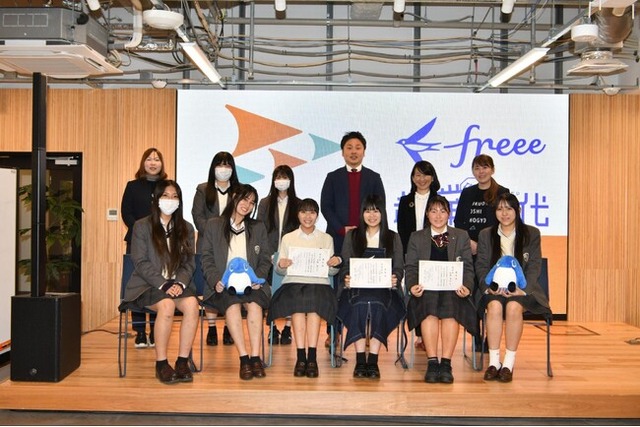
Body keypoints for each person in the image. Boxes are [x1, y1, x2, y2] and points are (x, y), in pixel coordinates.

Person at [121, 180, 200, 384]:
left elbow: (189, 262)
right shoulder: (142, 226)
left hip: (177, 284)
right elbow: (140, 261)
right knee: (166, 305)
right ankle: (161, 363)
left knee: (192, 305)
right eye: (165, 195)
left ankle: (182, 361)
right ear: (156, 199)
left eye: (175, 196)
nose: (170, 200)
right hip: (148, 285)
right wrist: (164, 284)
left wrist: (179, 283)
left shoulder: (186, 228)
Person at [200, 184, 273, 381]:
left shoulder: (257, 227)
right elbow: (206, 258)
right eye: (244, 199)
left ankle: (255, 357)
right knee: (231, 306)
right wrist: (216, 280)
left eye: (252, 202)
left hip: (252, 284)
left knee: (255, 306)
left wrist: (257, 279)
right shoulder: (214, 225)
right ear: (234, 197)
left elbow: (265, 259)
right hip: (224, 285)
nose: (247, 205)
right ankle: (244, 359)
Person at [475, 193, 551, 383]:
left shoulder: (531, 234)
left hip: (521, 289)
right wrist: (488, 287)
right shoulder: (486, 235)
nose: (504, 213)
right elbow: (481, 265)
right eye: (500, 209)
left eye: (509, 208)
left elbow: (534, 266)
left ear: (517, 210)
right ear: (495, 212)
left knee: (513, 307)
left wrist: (523, 290)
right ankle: (494, 363)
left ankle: (508, 364)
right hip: (493, 289)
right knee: (494, 306)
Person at [405, 195, 476, 384]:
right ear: (427, 214)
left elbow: (468, 267)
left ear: (449, 214)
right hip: (425, 289)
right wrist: (412, 286)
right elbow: (410, 267)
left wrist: (467, 287)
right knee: (429, 309)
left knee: (451, 310)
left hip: (453, 289)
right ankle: (432, 362)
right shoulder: (417, 237)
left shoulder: (461, 236)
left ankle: (446, 363)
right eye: (433, 211)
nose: (438, 216)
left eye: (442, 211)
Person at [267, 198, 341, 378]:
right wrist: (281, 264)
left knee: (315, 305)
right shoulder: (288, 238)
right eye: (303, 212)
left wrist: (334, 264)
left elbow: (331, 272)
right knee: (297, 305)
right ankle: (301, 357)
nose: (308, 216)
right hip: (293, 283)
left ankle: (312, 358)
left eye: (312, 212)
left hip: (319, 284)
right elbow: (279, 270)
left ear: (317, 216)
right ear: (298, 215)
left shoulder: (326, 238)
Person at [337, 194, 405, 380]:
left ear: (383, 213)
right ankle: (360, 359)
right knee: (358, 304)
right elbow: (345, 265)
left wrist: (395, 278)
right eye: (368, 211)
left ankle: (373, 360)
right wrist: (346, 277)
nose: (372, 215)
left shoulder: (392, 237)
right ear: (362, 214)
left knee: (378, 305)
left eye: (376, 211)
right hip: (356, 289)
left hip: (385, 290)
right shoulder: (352, 236)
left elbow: (399, 266)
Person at [454, 154, 510, 351]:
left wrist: (483, 245)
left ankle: (490, 337)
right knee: (473, 293)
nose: (481, 172)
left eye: (485, 167)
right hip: (469, 250)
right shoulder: (467, 193)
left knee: (491, 294)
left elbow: (505, 221)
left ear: (492, 170)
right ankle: (476, 333)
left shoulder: (502, 192)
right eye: (477, 168)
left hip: (492, 252)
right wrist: (468, 242)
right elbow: (459, 221)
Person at [121, 147, 168, 349]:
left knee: (157, 283)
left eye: (157, 159)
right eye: (149, 159)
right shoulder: (132, 186)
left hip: (161, 242)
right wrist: (141, 232)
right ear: (143, 163)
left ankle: (156, 331)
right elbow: (126, 213)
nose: (153, 163)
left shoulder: (167, 187)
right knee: (138, 284)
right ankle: (140, 332)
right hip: (137, 241)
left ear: (161, 164)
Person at [192, 151, 240, 347]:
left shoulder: (238, 191)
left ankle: (229, 326)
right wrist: (215, 234)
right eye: (220, 165)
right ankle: (211, 327)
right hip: (208, 243)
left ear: (232, 169)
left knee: (231, 284)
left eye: (227, 165)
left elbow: (243, 215)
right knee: (211, 283)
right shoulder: (203, 189)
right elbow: (197, 216)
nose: (223, 169)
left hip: (234, 243)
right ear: (213, 167)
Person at [396, 160, 441, 352]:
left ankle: (427, 335)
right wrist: (407, 252)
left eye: (425, 174)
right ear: (412, 178)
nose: (421, 179)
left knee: (430, 294)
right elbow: (402, 229)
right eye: (417, 175)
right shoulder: (405, 201)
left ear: (432, 177)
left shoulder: (438, 200)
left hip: (434, 253)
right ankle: (419, 334)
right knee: (414, 291)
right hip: (411, 253)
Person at [320, 131, 386, 255]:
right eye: (349, 148)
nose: (353, 152)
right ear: (342, 152)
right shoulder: (332, 177)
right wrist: (341, 229)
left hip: (368, 237)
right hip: (338, 237)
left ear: (364, 152)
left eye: (358, 148)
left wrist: (368, 229)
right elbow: (326, 206)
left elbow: (380, 206)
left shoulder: (374, 177)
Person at [257, 165, 301, 345]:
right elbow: (259, 230)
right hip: (270, 255)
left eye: (285, 177)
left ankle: (288, 328)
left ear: (291, 180)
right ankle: (272, 327)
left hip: (290, 257)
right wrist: (267, 254)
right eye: (278, 177)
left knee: (290, 292)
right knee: (271, 292)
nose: (281, 181)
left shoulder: (298, 204)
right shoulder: (265, 203)